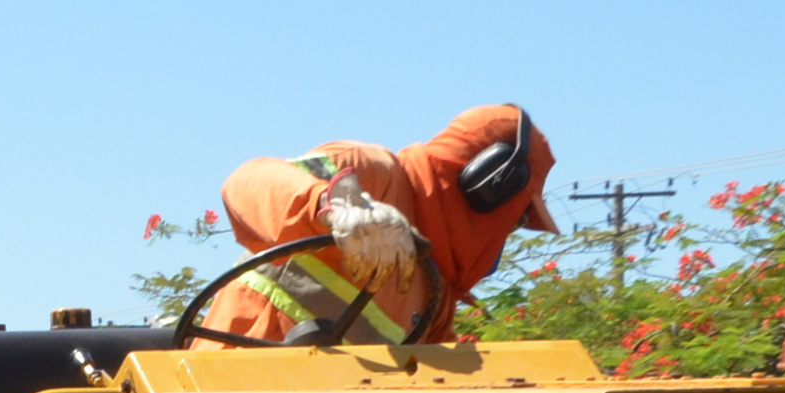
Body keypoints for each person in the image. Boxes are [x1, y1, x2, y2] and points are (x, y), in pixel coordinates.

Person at [200, 103, 559, 345]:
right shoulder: (371, 173)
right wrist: (335, 205)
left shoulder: (436, 294)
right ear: (490, 184)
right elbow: (247, 181)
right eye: (518, 219)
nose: (506, 236)